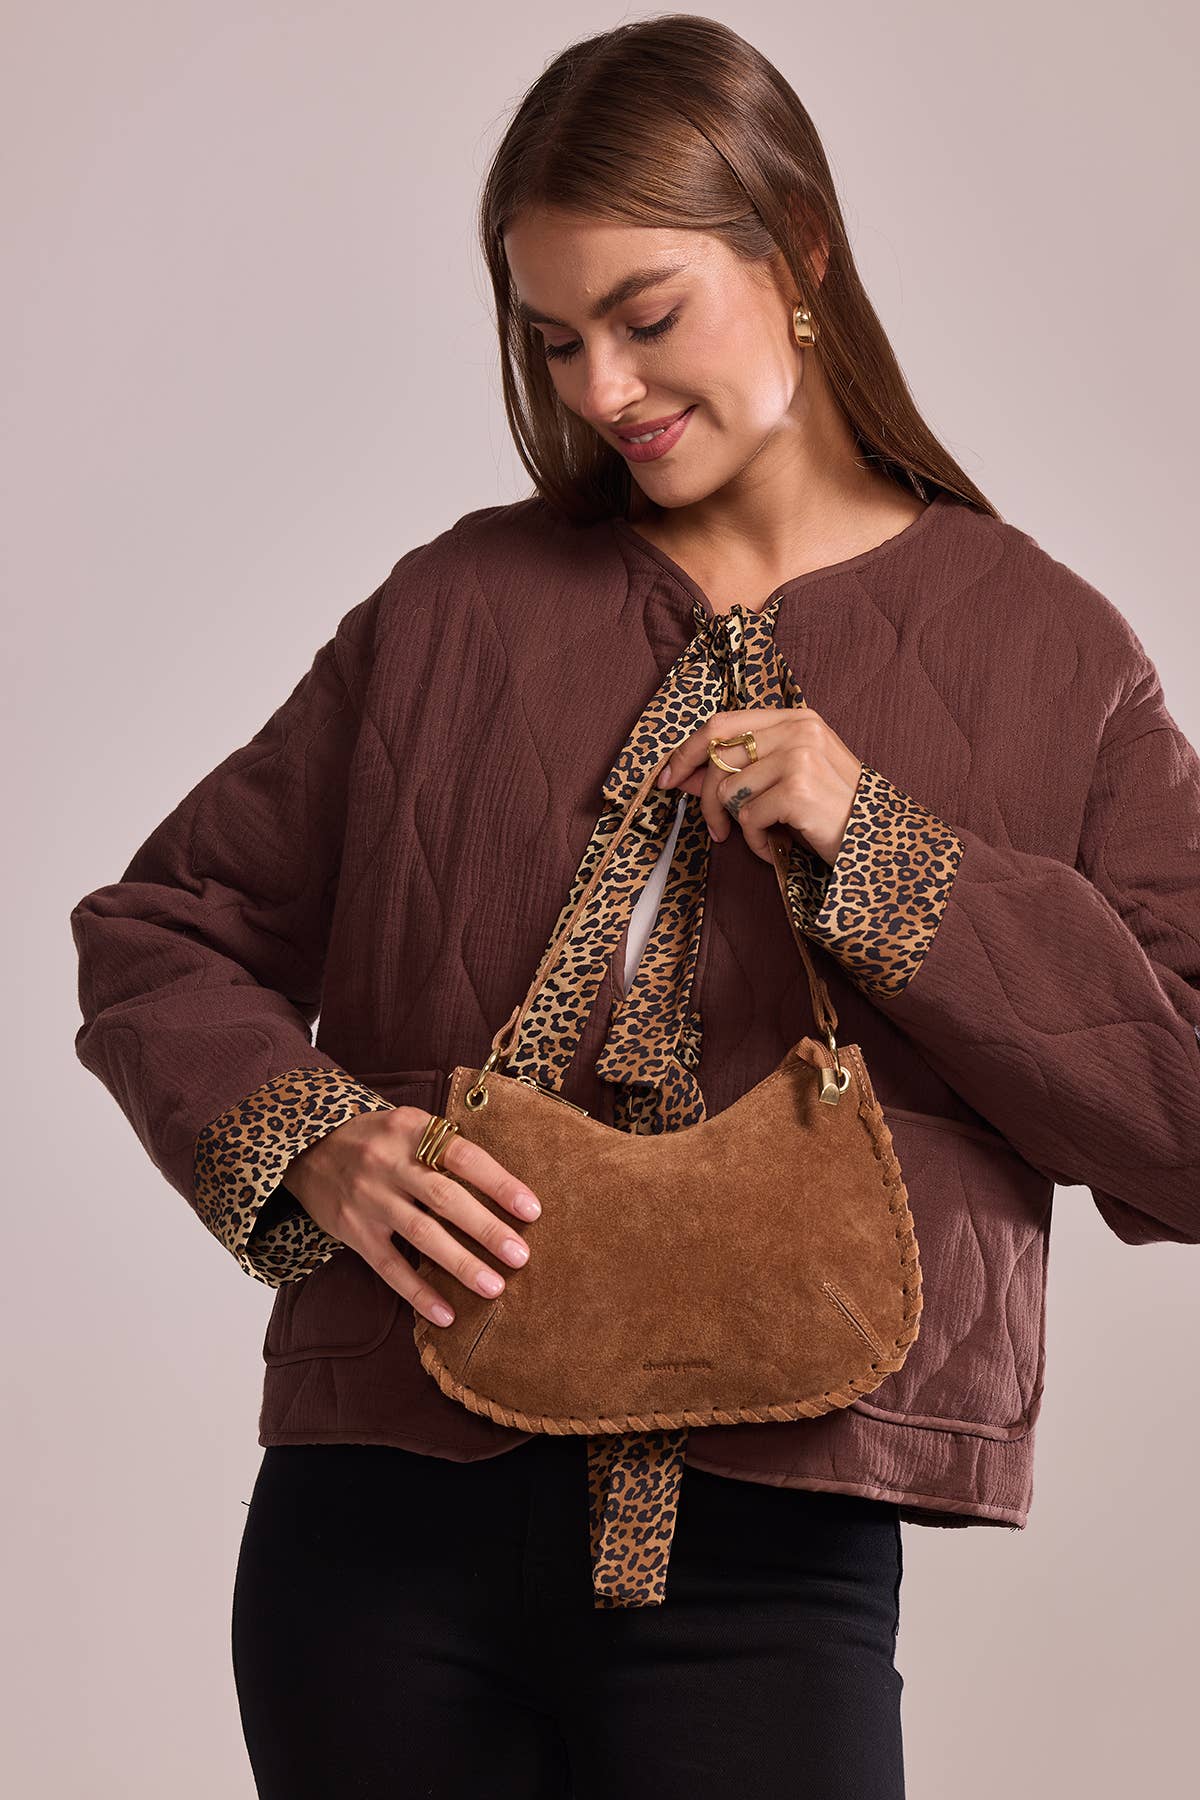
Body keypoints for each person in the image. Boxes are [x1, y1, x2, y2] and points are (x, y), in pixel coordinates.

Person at [68, 15, 1200, 1800]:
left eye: (647, 315)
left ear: (798, 253)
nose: (601, 387)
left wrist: (882, 844)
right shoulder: (455, 606)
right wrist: (315, 1141)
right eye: (553, 338)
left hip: (774, 1557)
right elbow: (161, 928)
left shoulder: (1049, 652)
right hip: (374, 1532)